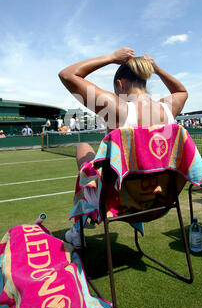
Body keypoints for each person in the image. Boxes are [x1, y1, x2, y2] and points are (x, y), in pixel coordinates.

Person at [58, 47, 188, 247]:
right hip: (159, 199)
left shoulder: (117, 108)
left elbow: (67, 75)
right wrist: (156, 68)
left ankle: (79, 227)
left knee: (83, 146)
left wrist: (110, 57)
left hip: (119, 201)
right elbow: (182, 91)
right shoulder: (168, 108)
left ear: (120, 84)